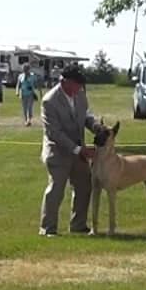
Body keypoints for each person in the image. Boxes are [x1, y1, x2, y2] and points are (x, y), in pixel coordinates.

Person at [39, 65, 102, 236]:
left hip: (78, 150)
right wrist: (77, 150)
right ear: (65, 82)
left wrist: (95, 126)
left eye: (81, 85)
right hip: (57, 151)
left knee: (84, 186)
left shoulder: (80, 95)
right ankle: (48, 229)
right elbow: (55, 133)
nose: (79, 88)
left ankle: (78, 225)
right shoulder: (49, 101)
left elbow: (86, 115)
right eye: (77, 84)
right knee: (56, 189)